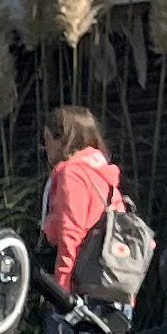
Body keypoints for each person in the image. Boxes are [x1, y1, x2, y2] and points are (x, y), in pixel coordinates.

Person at [34, 107, 126, 312]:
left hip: (82, 290)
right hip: (112, 285)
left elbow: (71, 235)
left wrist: (60, 291)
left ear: (63, 140)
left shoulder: (72, 174)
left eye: (46, 139)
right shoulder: (101, 172)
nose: (44, 148)